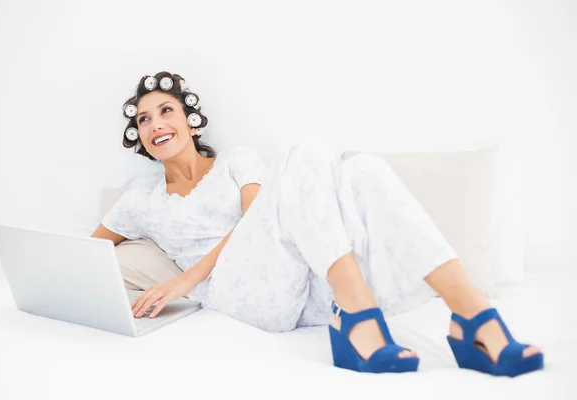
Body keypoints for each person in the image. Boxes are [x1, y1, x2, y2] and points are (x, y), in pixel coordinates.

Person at [91, 71, 543, 377]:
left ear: (190, 120)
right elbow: (81, 254)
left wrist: (185, 278)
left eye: (165, 111)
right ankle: (363, 319)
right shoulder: (139, 202)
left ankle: (468, 312)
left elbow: (258, 221)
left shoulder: (235, 164)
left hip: (304, 288)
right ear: (141, 139)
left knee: (362, 169)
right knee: (304, 149)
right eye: (143, 120)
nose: (155, 124)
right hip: (236, 297)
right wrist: (178, 283)